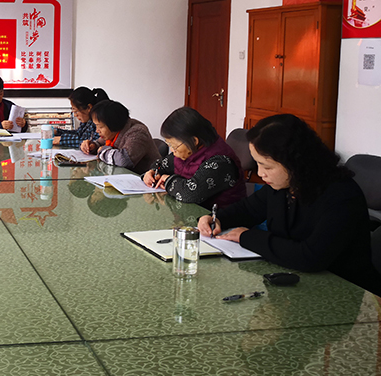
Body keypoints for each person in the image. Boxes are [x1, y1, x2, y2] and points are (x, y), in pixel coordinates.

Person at [197, 114, 381, 295]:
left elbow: (310, 257)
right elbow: (248, 209)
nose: (260, 173)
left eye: (267, 166)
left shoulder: (341, 196)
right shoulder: (283, 185)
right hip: (295, 283)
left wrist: (247, 237)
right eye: (257, 164)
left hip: (343, 292)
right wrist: (216, 219)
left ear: (294, 163)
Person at [143, 107, 245, 209]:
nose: (172, 150)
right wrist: (153, 172)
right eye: (170, 145)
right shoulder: (188, 151)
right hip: (190, 212)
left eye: (175, 146)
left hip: (219, 216)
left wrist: (168, 181)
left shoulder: (219, 161)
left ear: (194, 141)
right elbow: (162, 164)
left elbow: (190, 194)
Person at [82, 100, 159, 174]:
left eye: (100, 127)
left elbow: (124, 160)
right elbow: (99, 143)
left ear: (112, 124)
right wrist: (92, 146)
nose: (97, 130)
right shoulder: (112, 133)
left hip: (145, 179)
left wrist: (102, 151)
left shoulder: (137, 132)